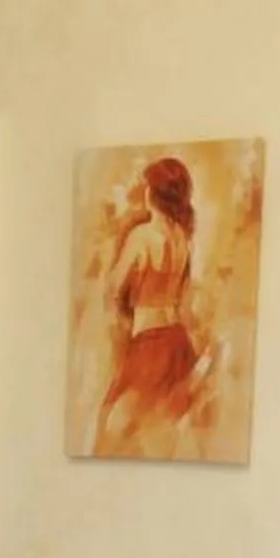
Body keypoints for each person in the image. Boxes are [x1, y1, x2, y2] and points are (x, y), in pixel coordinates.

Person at [92, 155, 208, 456]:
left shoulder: (142, 236)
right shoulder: (183, 238)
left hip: (149, 345)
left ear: (152, 193)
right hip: (178, 343)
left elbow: (113, 287)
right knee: (162, 435)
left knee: (113, 430)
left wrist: (123, 307)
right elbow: (181, 295)